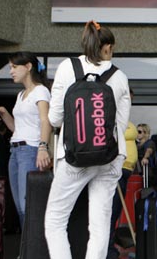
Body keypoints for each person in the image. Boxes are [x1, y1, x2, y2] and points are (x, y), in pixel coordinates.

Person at [44, 20, 131, 259]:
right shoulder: (120, 77)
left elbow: (54, 117)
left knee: (55, 219)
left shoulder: (66, 67)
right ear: (109, 47)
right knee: (100, 225)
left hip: (74, 155)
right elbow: (119, 126)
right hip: (109, 157)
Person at [0, 51, 52, 229]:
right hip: (16, 151)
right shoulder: (21, 95)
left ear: (28, 67)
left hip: (31, 150)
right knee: (20, 206)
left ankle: (35, 251)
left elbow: (45, 119)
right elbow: (17, 129)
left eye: (14, 67)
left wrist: (43, 147)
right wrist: (4, 113)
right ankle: (27, 249)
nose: (11, 71)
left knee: (29, 206)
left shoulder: (41, 91)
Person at [107, 90, 137, 259]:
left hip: (126, 172)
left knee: (116, 211)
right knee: (111, 212)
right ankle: (108, 251)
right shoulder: (113, 119)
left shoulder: (125, 119)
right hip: (117, 170)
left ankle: (111, 247)